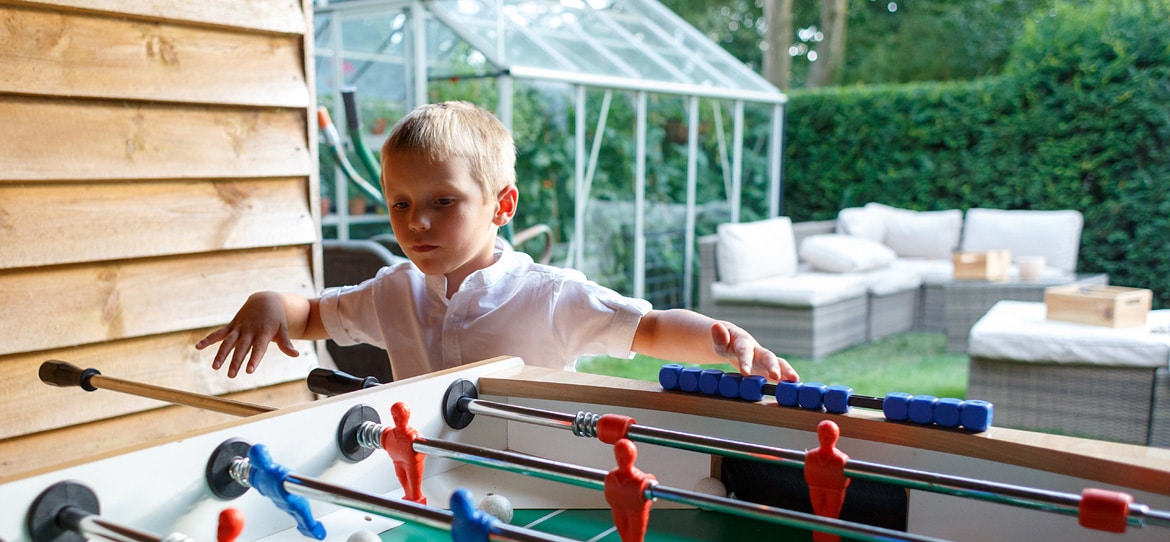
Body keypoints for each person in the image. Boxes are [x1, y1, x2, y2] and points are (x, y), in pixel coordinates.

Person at [197, 101, 799, 384]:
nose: (418, 223)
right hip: (422, 487)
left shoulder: (553, 297)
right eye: (401, 204)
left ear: (502, 206)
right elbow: (312, 317)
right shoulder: (391, 293)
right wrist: (272, 303)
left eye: (443, 202)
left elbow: (650, 329)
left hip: (532, 487)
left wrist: (724, 340)